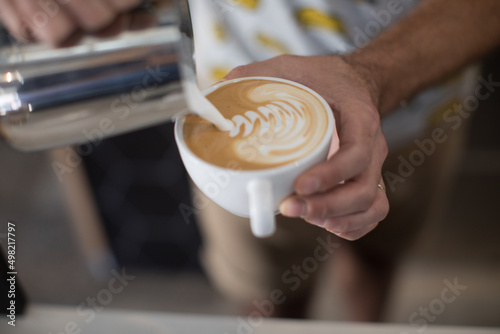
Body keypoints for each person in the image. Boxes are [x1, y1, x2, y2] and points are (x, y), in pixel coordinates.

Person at [2, 0, 499, 321]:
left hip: (422, 105)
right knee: (268, 292)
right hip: (228, 111)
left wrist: (372, 75)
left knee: (375, 256)